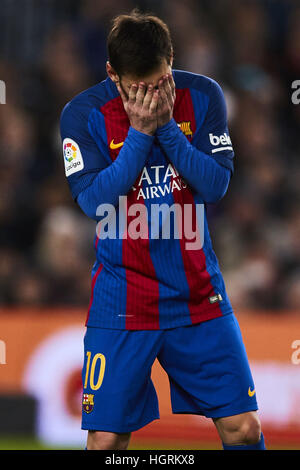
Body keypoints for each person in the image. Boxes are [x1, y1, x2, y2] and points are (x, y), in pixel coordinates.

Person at [60, 9, 265, 451]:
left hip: (197, 295)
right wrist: (138, 135)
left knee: (244, 429)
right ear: (112, 73)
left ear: (171, 58)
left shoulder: (204, 95)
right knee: (106, 440)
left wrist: (167, 129)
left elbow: (215, 185)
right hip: (122, 300)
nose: (150, 96)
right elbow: (94, 202)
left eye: (158, 82)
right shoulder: (81, 115)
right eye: (138, 88)